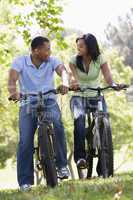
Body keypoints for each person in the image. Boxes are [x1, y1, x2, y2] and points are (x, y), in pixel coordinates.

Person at [8, 36, 70, 191]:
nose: (49, 52)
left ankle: (62, 165)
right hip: (28, 101)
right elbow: (12, 80)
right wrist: (13, 92)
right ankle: (25, 182)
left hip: (48, 99)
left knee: (57, 125)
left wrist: (65, 83)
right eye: (47, 49)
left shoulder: (52, 61)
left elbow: (63, 72)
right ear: (36, 50)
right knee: (25, 141)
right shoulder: (20, 62)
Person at [68, 33, 123, 172]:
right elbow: (72, 77)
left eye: (81, 46)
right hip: (79, 97)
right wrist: (73, 83)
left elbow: (108, 77)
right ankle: (80, 157)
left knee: (105, 121)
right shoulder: (74, 60)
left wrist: (114, 84)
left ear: (90, 46)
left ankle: (103, 166)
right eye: (77, 46)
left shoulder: (100, 59)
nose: (78, 48)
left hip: (96, 95)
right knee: (79, 120)